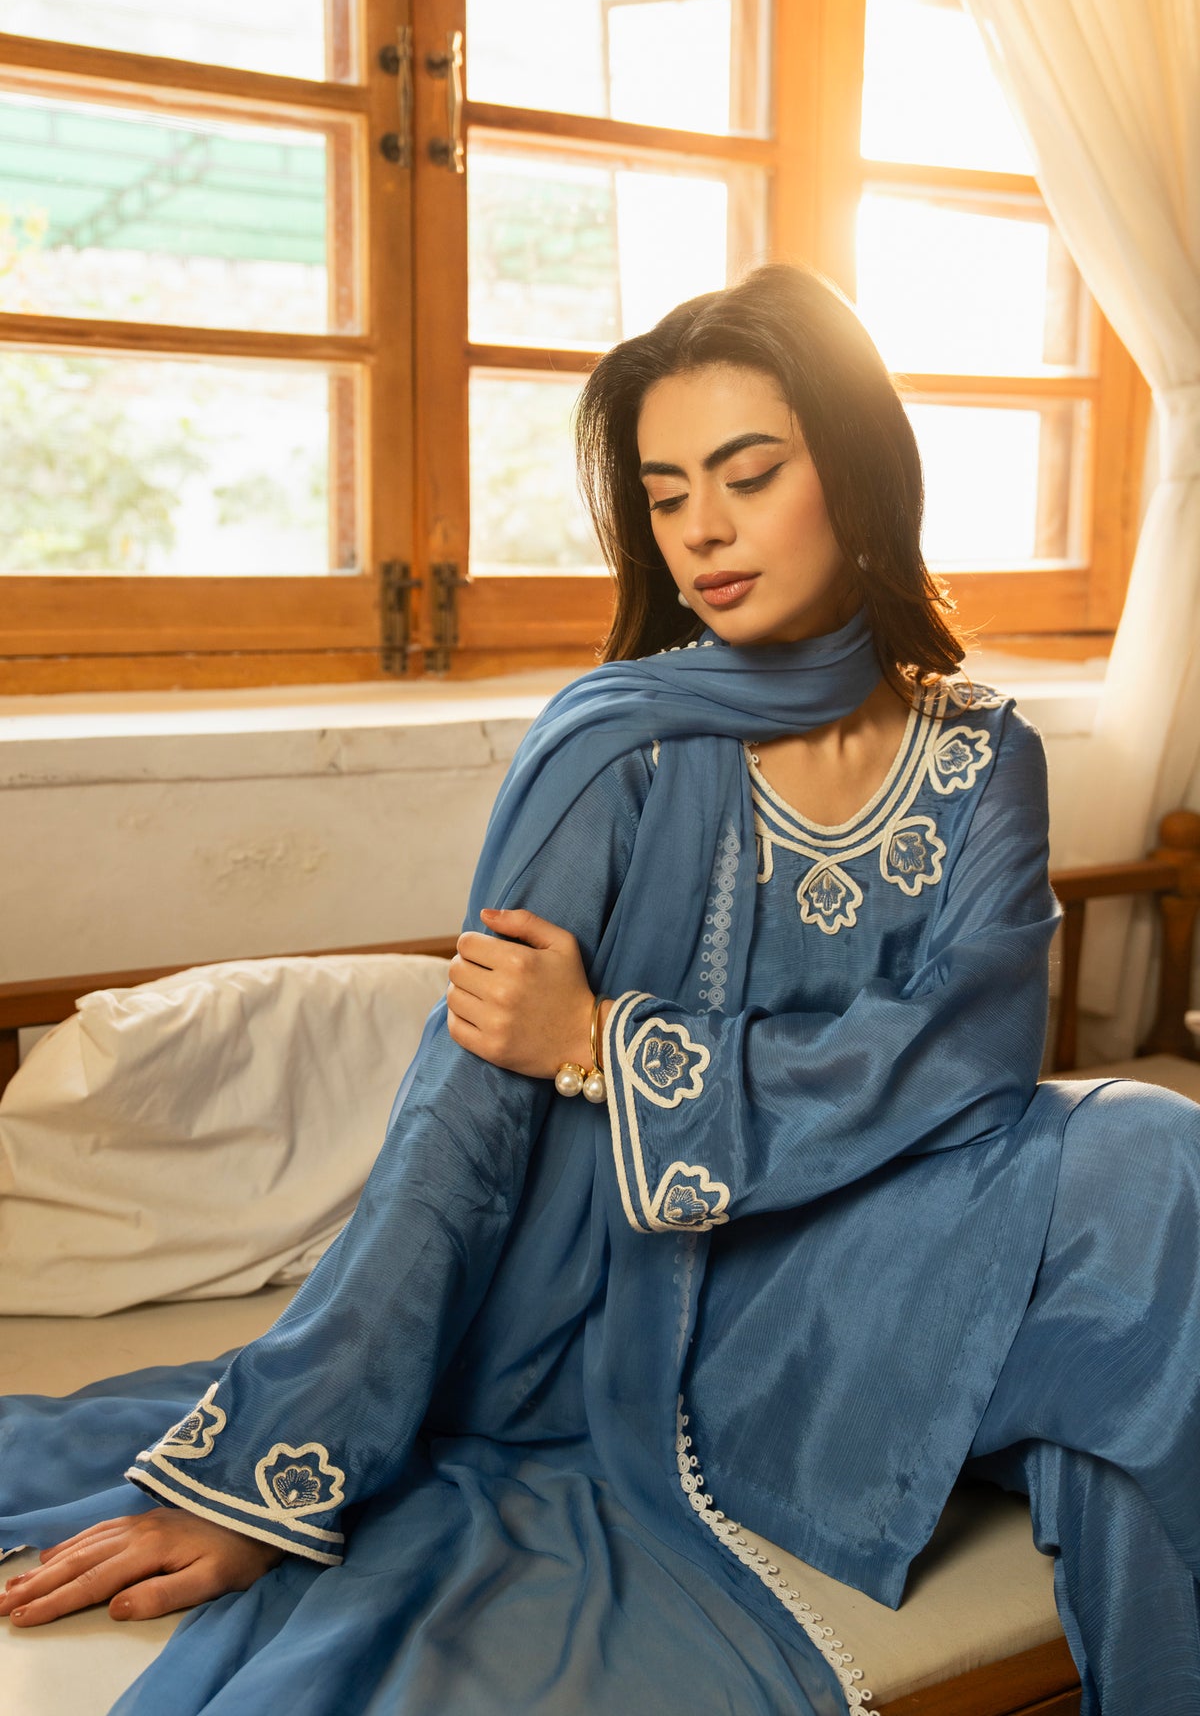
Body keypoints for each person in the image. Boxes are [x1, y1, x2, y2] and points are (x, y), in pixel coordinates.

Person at [2, 264, 1199, 1716]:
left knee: (1150, 1206)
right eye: (666, 492)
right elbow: (462, 1119)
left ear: (861, 473)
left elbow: (975, 1055)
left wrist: (606, 1041)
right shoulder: (616, 748)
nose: (702, 529)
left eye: (748, 475)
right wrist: (270, 1475)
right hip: (681, 1306)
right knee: (1155, 1200)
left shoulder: (984, 752)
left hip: (903, 1238)